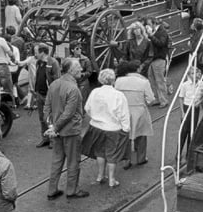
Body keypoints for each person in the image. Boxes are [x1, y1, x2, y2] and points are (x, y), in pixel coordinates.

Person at [43, 58, 88, 200]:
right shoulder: (73, 89)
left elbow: (47, 108)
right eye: (79, 67)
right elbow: (69, 113)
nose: (81, 69)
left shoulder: (54, 84)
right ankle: (71, 190)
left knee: (57, 160)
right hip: (71, 131)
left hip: (57, 132)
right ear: (71, 70)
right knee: (73, 161)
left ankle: (52, 190)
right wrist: (55, 127)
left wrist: (51, 126)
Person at [82, 69, 130, 188]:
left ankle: (100, 175)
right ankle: (112, 179)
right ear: (113, 80)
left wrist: (95, 117)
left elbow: (87, 108)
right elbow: (123, 114)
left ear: (100, 79)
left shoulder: (95, 92)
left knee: (99, 152)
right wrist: (126, 129)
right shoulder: (119, 95)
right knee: (111, 154)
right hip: (113, 128)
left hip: (97, 127)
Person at [115, 60, 154, 169]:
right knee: (141, 135)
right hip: (139, 110)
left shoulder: (119, 81)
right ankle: (141, 158)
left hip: (124, 111)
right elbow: (150, 99)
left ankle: (126, 160)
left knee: (125, 136)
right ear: (138, 69)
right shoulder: (143, 82)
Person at [31, 45, 61, 148]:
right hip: (40, 94)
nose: (35, 54)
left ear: (42, 52)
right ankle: (45, 139)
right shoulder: (39, 62)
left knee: (50, 119)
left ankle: (53, 140)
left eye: (36, 52)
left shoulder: (53, 63)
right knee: (42, 118)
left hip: (49, 96)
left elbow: (57, 80)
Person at [178, 68, 203, 160]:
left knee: (192, 131)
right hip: (187, 108)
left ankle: (189, 153)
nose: (194, 75)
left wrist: (199, 102)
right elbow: (181, 98)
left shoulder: (202, 84)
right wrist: (182, 112)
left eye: (196, 73)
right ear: (189, 75)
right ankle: (178, 153)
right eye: (192, 73)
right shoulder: (185, 85)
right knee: (184, 131)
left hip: (195, 108)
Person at [146, 17, 171, 108]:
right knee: (151, 79)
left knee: (160, 80)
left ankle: (164, 100)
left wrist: (151, 36)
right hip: (153, 59)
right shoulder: (156, 32)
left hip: (159, 58)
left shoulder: (162, 32)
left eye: (149, 24)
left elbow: (161, 43)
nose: (147, 26)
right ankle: (157, 98)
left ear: (154, 24)